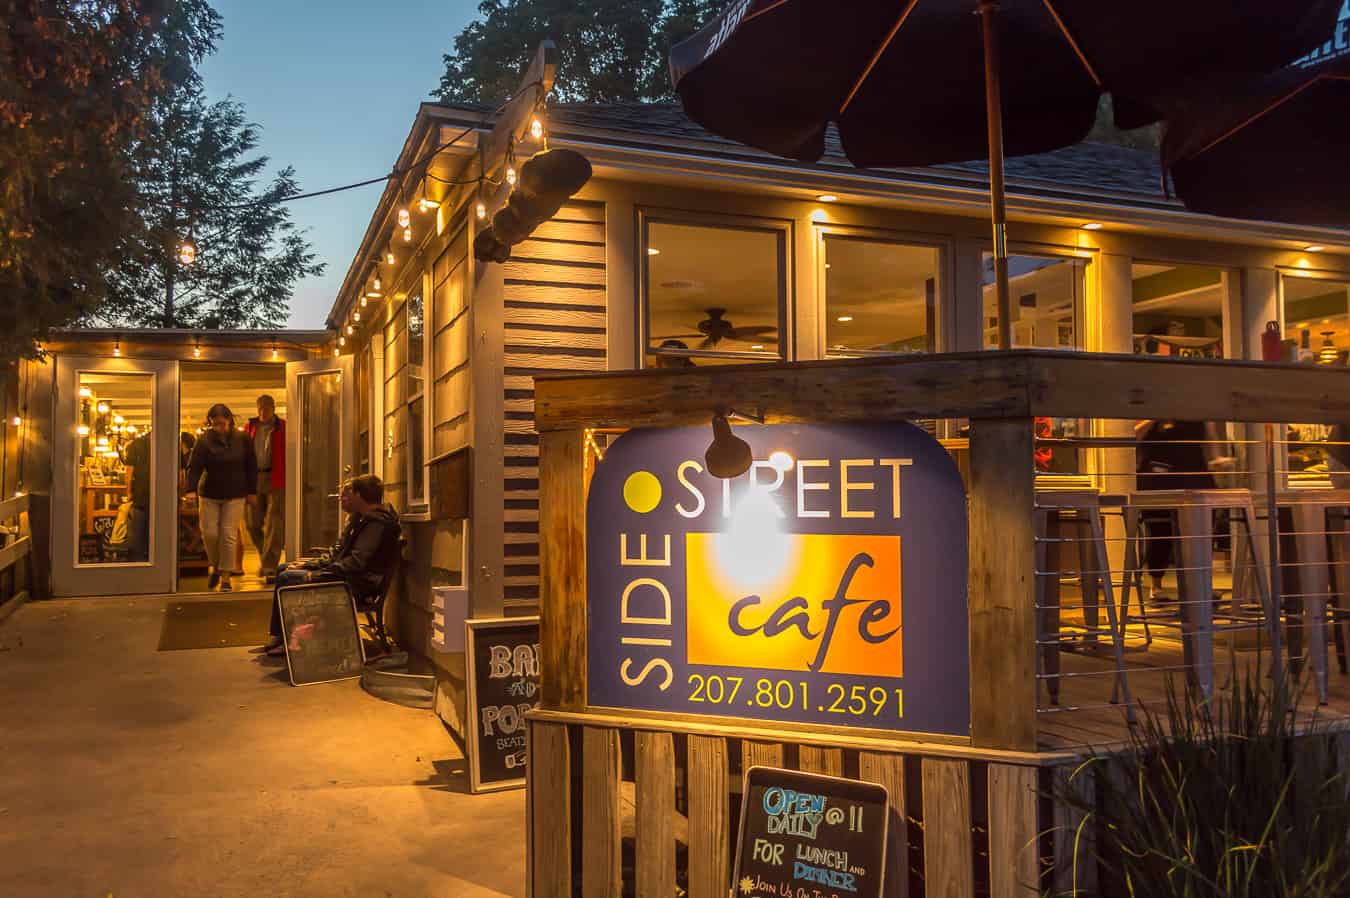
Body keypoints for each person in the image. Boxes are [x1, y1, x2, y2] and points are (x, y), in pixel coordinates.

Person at [259, 474, 401, 655]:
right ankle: (281, 636)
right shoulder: (364, 520)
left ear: (359, 496)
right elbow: (341, 556)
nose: (343, 499)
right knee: (283, 570)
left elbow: (355, 563)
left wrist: (317, 575)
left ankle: (287, 639)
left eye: (349, 494)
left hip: (357, 585)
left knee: (287, 576)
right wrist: (313, 568)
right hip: (350, 578)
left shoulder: (376, 524)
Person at [185, 404, 256, 591]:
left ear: (230, 421)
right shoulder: (204, 441)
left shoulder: (243, 439)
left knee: (228, 534)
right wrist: (190, 490)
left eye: (222, 424)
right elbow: (194, 467)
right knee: (209, 533)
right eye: (215, 424)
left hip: (235, 493)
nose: (219, 428)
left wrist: (252, 491)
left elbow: (251, 465)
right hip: (209, 493)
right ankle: (216, 566)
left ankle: (225, 577)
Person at [244, 394, 286, 581]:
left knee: (274, 522)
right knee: (252, 523)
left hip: (275, 477)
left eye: (267, 407)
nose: (263, 411)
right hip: (254, 478)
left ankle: (269, 566)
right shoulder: (250, 427)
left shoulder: (282, 427)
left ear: (273, 408)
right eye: (260, 407)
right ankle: (266, 557)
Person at [120, 430, 152, 562]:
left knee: (138, 531)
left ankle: (138, 561)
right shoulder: (168, 442)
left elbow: (129, 471)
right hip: (163, 496)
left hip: (140, 494)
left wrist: (128, 492)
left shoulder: (136, 444)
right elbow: (180, 473)